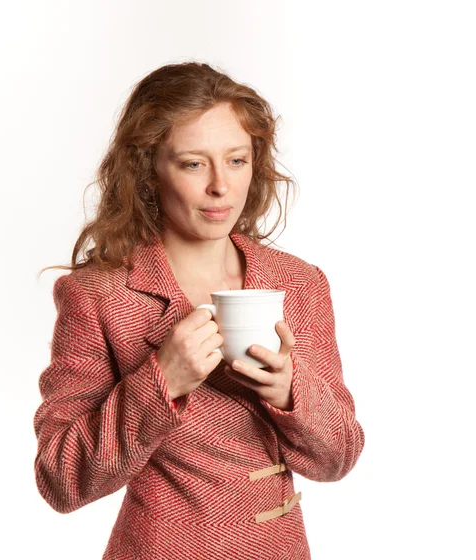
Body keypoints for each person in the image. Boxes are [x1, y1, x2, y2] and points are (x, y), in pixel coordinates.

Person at [33, 61, 365, 560]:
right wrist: (160, 382)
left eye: (236, 160)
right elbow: (60, 478)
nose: (220, 186)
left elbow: (339, 456)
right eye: (193, 163)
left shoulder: (300, 283)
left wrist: (291, 392)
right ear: (148, 170)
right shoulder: (100, 294)